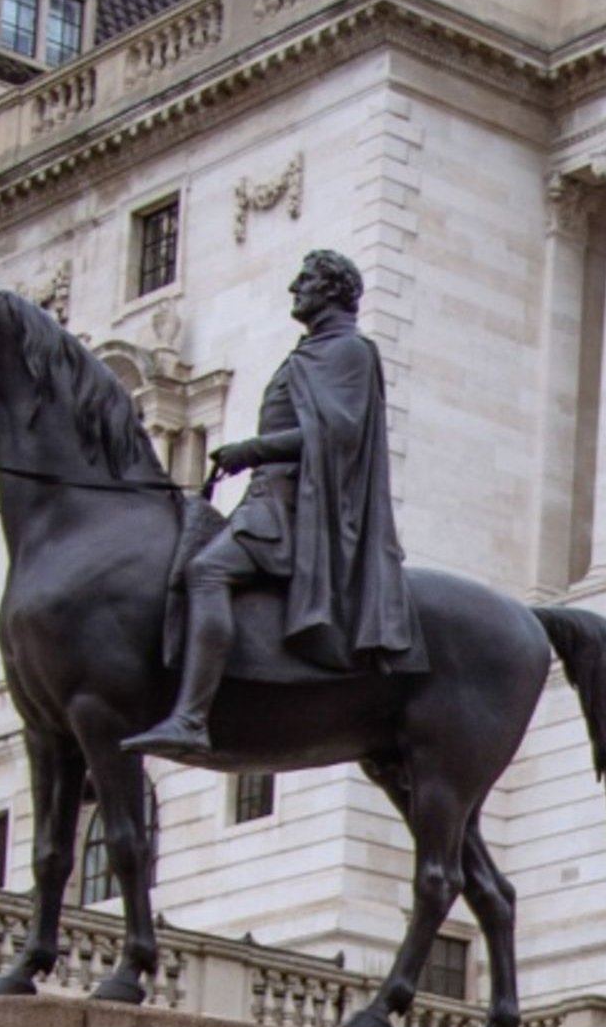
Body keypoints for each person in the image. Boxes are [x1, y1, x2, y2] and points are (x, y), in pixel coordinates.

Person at [131, 247, 414, 761]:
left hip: (292, 510)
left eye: (306, 280)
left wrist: (252, 450)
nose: (294, 289)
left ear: (332, 289)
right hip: (266, 499)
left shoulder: (348, 351)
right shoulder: (313, 351)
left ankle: (191, 718)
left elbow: (337, 435)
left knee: (207, 573)